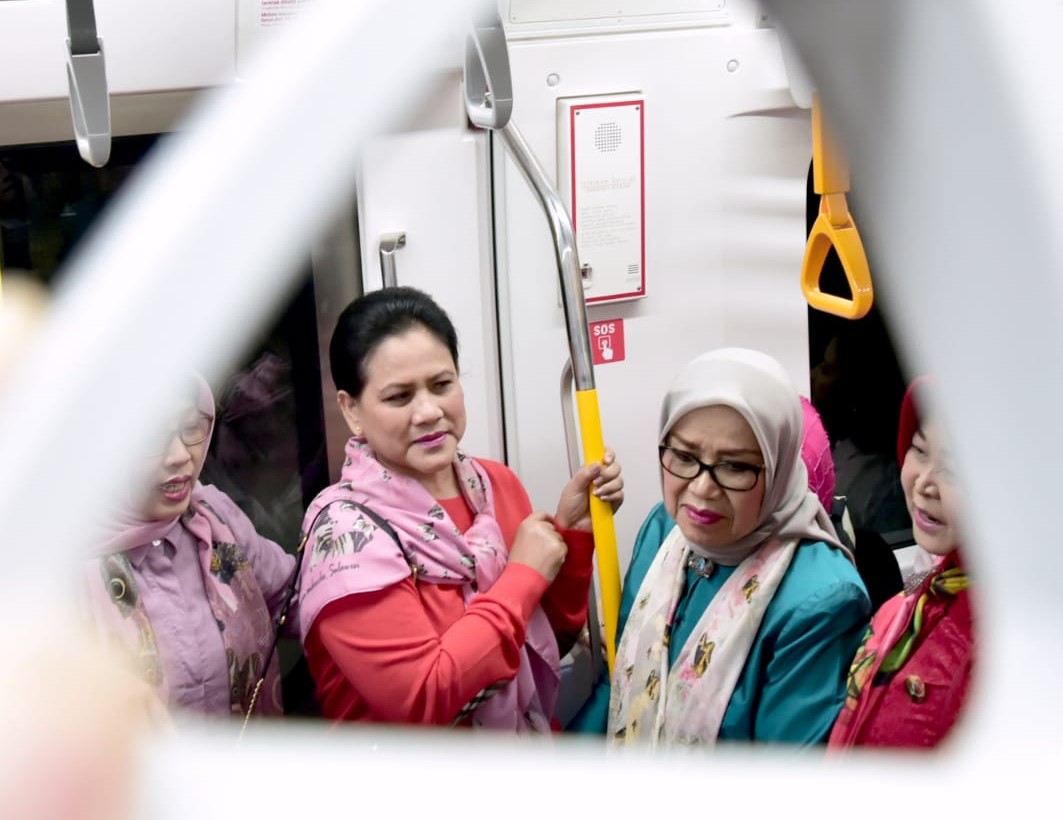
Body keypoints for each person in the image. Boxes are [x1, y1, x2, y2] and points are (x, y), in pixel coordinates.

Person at [294, 286, 623, 731]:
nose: (429, 411)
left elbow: (546, 641)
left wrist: (571, 537)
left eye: (442, 384)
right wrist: (522, 576)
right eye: (399, 397)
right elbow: (424, 700)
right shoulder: (345, 540)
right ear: (351, 409)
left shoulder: (494, 486)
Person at [574, 347, 870, 746]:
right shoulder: (665, 530)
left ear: (777, 466)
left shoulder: (820, 599)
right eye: (683, 455)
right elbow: (621, 684)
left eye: (734, 466)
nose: (701, 489)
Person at [86, 375, 296, 719]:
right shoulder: (55, 565)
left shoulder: (213, 518)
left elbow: (296, 597)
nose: (180, 455)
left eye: (190, 428)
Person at [829, 378, 973, 748]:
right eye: (920, 450)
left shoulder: (1020, 641)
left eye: (954, 471)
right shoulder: (908, 602)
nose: (925, 483)